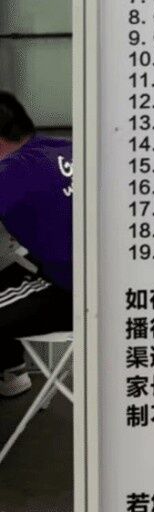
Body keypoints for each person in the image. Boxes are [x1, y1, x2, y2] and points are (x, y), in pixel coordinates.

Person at [0, 93, 72, 397]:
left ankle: (12, 372)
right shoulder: (64, 148)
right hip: (101, 281)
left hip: (72, 293)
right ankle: (11, 371)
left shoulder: (10, 172)